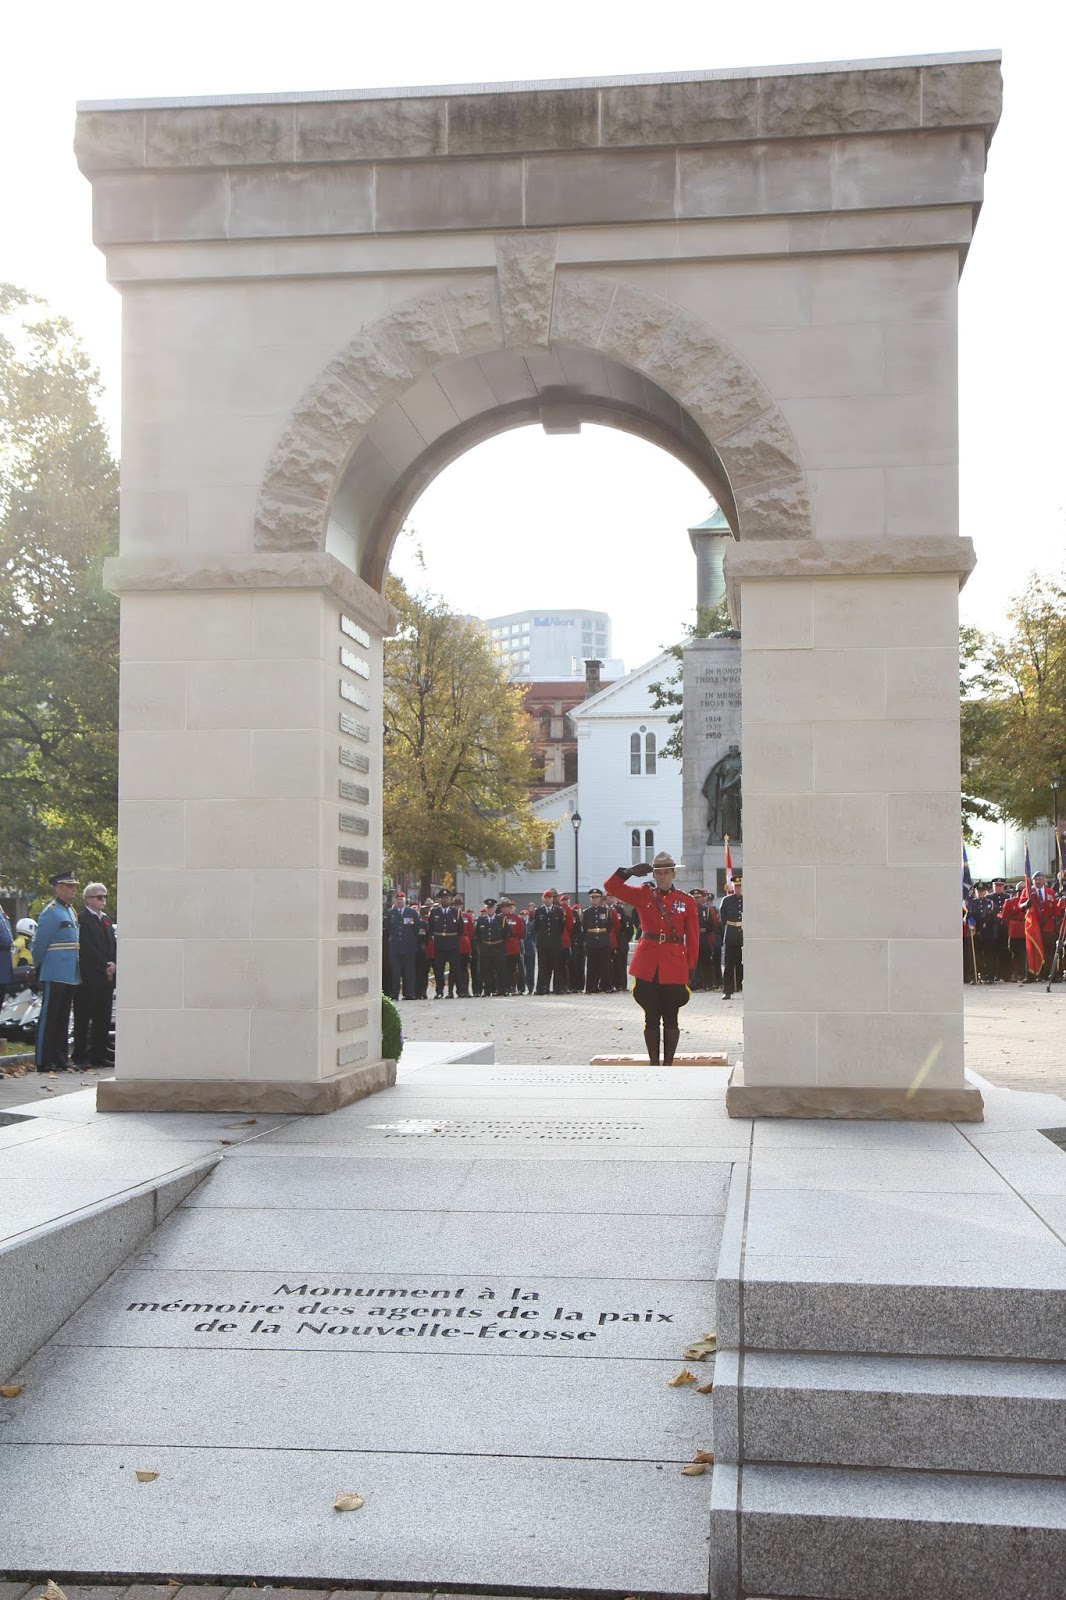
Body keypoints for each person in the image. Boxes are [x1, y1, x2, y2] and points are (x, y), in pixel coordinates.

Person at [603, 852, 699, 1065]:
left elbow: (693, 937)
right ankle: (654, 1064)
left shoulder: (686, 901)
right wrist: (628, 872)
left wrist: (691, 967)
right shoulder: (643, 895)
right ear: (654, 875)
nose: (663, 877)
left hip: (674, 964)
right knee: (651, 1015)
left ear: (673, 874)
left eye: (666, 872)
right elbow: (611, 887)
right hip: (648, 965)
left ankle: (668, 1064)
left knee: (672, 1015)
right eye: (658, 873)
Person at [31, 870, 82, 1072]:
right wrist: (38, 966)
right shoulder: (51, 912)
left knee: (62, 1017)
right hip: (54, 970)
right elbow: (40, 943)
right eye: (69, 886)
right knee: (49, 1016)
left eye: (74, 886)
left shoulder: (70, 911)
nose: (73, 890)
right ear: (58, 888)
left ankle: (60, 1058)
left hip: (69, 972)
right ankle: (43, 1059)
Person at [72, 881, 117, 1068]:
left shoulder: (105, 919)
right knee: (84, 1017)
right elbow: (87, 947)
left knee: (103, 1016)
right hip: (90, 975)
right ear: (88, 900)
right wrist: (103, 966)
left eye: (104, 896)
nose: (103, 900)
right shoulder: (82, 919)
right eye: (99, 897)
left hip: (106, 976)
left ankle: (99, 1053)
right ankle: (81, 1055)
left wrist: (114, 963)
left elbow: (112, 944)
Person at [384, 890, 420, 1000]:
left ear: (405, 901)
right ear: (396, 900)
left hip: (408, 946)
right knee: (395, 972)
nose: (399, 901)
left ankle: (409, 993)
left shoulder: (412, 913)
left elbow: (416, 929)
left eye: (401, 899)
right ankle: (395, 994)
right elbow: (388, 929)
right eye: (398, 899)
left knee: (409, 971)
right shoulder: (391, 913)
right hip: (395, 947)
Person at [428, 890, 461, 999]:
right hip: (439, 944)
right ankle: (439, 991)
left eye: (447, 898)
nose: (445, 900)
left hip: (452, 944)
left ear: (450, 899)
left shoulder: (456, 912)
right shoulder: (434, 912)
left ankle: (450, 991)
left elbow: (460, 929)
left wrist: (455, 939)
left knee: (453, 969)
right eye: (443, 898)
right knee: (438, 969)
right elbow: (431, 927)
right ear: (440, 900)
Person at [533, 889, 568, 994]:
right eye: (546, 898)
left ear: (552, 899)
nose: (548, 900)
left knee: (557, 966)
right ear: (543, 899)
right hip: (543, 944)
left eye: (550, 898)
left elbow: (562, 927)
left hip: (555, 943)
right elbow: (536, 927)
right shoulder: (539, 911)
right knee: (543, 966)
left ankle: (558, 988)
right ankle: (542, 988)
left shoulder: (558, 910)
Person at [582, 889, 613, 993]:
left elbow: (609, 925)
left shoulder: (606, 911)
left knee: (605, 964)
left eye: (597, 897)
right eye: (593, 897)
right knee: (591, 965)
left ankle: (606, 986)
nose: (595, 899)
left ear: (600, 899)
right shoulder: (587, 912)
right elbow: (584, 926)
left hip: (603, 939)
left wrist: (603, 935)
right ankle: (591, 986)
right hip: (591, 940)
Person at [719, 873, 743, 999]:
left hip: (744, 936)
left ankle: (744, 988)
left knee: (745, 964)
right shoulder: (727, 900)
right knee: (729, 965)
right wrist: (730, 930)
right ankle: (727, 990)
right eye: (736, 886)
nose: (738, 888)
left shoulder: (748, 900)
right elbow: (722, 919)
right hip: (731, 935)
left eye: (740, 886)